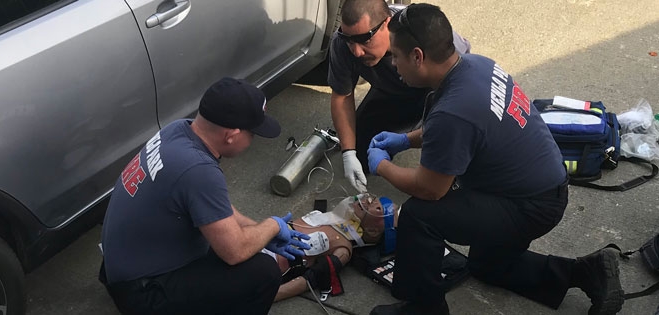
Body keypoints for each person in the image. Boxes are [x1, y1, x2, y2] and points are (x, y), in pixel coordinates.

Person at [365, 4, 622, 315]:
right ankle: (587, 272)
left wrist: (381, 165)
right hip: (542, 186)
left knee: (418, 216)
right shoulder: (475, 66)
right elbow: (455, 130)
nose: (393, 63)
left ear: (418, 56)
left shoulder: (454, 112)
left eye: (396, 55)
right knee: (485, 266)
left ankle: (424, 308)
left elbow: (430, 189)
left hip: (529, 205)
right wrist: (405, 140)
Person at [98, 77, 315, 315]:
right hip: (142, 293)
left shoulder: (178, 130)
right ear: (231, 134)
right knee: (263, 273)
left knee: (245, 246)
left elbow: (213, 207)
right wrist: (272, 226)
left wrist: (258, 231)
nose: (252, 141)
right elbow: (234, 252)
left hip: (122, 264)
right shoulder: (198, 170)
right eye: (252, 134)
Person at [328, 0, 471, 193]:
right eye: (349, 40)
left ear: (387, 23)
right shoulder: (343, 42)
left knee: (446, 163)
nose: (357, 51)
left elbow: (460, 102)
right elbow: (341, 96)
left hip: (436, 91)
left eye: (365, 39)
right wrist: (348, 153)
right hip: (392, 91)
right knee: (363, 153)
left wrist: (417, 140)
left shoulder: (422, 33)